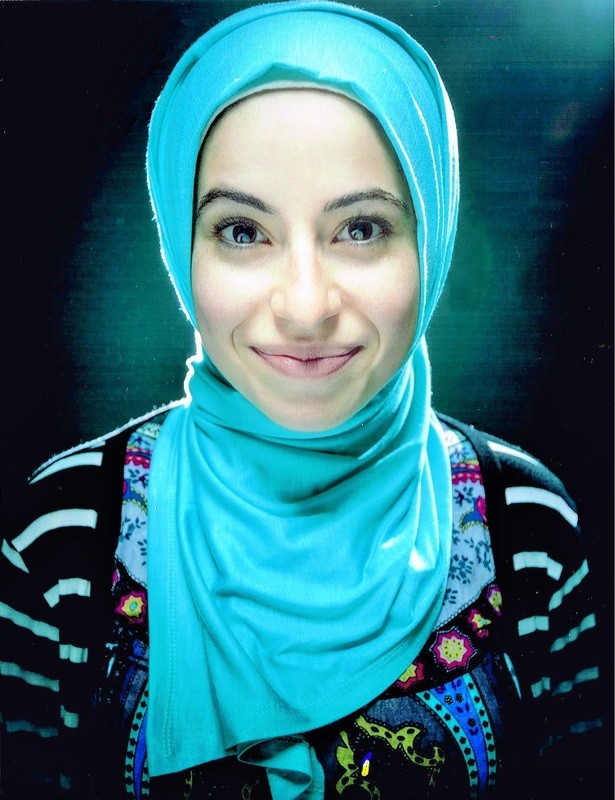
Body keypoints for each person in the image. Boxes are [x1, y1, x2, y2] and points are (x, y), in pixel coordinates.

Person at [0, 2, 605, 798]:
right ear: (180, 245)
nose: (306, 306)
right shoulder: (66, 534)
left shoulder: (527, 529)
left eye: (360, 229)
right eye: (242, 232)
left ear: (432, 235)